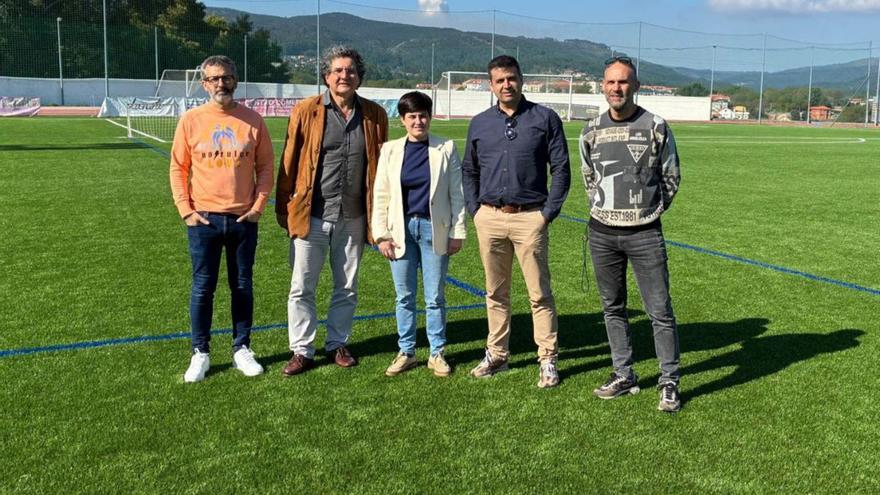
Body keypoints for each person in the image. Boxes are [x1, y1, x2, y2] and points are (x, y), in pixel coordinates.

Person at [276, 46, 389, 376]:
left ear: (359, 76)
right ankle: (302, 349)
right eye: (338, 70)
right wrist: (285, 208)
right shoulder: (306, 110)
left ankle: (337, 342)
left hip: (354, 216)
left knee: (348, 286)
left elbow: (381, 167)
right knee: (301, 287)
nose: (344, 76)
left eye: (350, 70)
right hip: (311, 214)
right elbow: (289, 160)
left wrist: (380, 215)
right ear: (326, 76)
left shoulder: (374, 114)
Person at [579, 56, 682, 412]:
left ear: (635, 85)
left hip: (644, 235)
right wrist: (607, 210)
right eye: (610, 82)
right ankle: (624, 373)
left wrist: (647, 211)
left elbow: (671, 177)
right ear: (602, 86)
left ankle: (669, 380)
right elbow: (589, 179)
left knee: (659, 310)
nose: (616, 88)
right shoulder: (590, 130)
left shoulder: (655, 126)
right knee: (613, 308)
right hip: (602, 234)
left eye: (623, 82)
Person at [461, 55, 571, 388]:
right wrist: (475, 210)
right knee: (495, 292)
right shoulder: (479, 123)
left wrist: (547, 214)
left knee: (539, 293)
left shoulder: (545, 118)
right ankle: (497, 354)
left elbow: (562, 169)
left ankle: (548, 358)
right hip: (490, 218)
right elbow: (469, 170)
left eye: (511, 78)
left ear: (521, 79)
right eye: (499, 80)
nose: (506, 85)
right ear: (491, 85)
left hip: (530, 218)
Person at [169, 55, 274, 383]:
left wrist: (258, 206)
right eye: (214, 79)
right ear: (204, 83)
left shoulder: (253, 120)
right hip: (204, 220)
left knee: (242, 285)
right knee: (203, 287)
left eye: (226, 77)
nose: (221, 84)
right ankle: (200, 352)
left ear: (236, 80)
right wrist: (186, 210)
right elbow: (177, 168)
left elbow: (266, 167)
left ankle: (242, 347)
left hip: (243, 219)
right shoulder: (191, 120)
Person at [371, 92, 467, 377]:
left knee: (435, 296)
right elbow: (381, 194)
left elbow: (457, 194)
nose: (418, 121)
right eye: (411, 116)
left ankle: (437, 353)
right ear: (402, 120)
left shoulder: (445, 147)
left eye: (423, 115)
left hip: (433, 228)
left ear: (430, 116)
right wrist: (381, 235)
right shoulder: (390, 150)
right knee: (404, 296)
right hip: (400, 231)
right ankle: (407, 351)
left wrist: (457, 231)